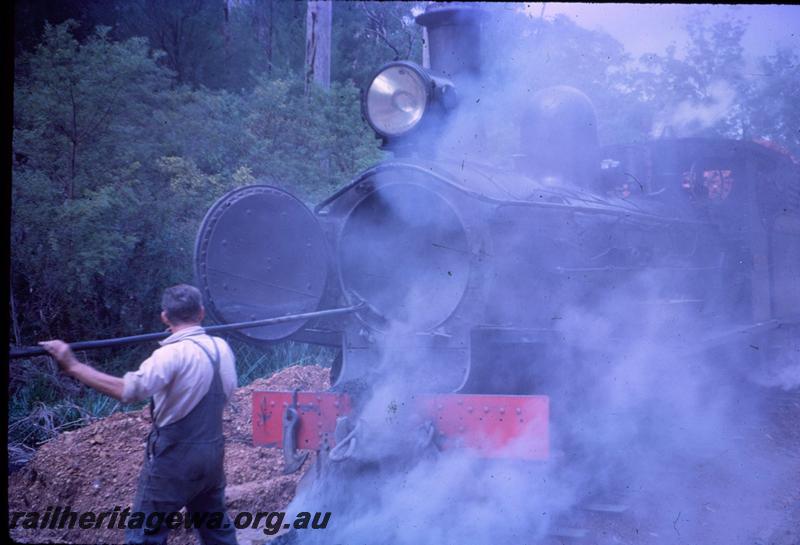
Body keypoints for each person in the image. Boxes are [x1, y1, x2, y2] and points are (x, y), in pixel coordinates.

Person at [40, 284, 239, 545]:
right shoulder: (221, 348)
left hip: (174, 460)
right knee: (218, 534)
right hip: (212, 457)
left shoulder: (169, 354)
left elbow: (128, 391)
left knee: (144, 536)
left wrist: (73, 365)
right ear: (201, 313)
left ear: (165, 317)